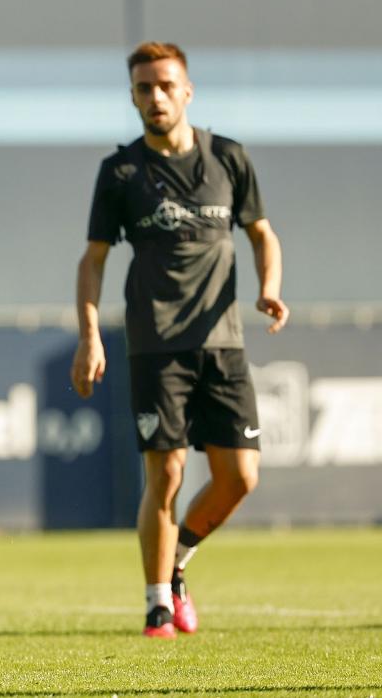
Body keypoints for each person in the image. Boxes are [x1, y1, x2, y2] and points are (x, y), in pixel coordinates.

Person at [71, 42, 287, 639]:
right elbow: (92, 262)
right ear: (134, 97)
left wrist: (269, 286)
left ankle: (178, 563)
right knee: (164, 475)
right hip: (155, 345)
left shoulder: (229, 159)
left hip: (223, 343)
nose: (156, 97)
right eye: (144, 88)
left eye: (166, 85)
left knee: (240, 477)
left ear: (187, 90)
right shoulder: (120, 172)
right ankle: (156, 604)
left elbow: (263, 235)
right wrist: (90, 336)